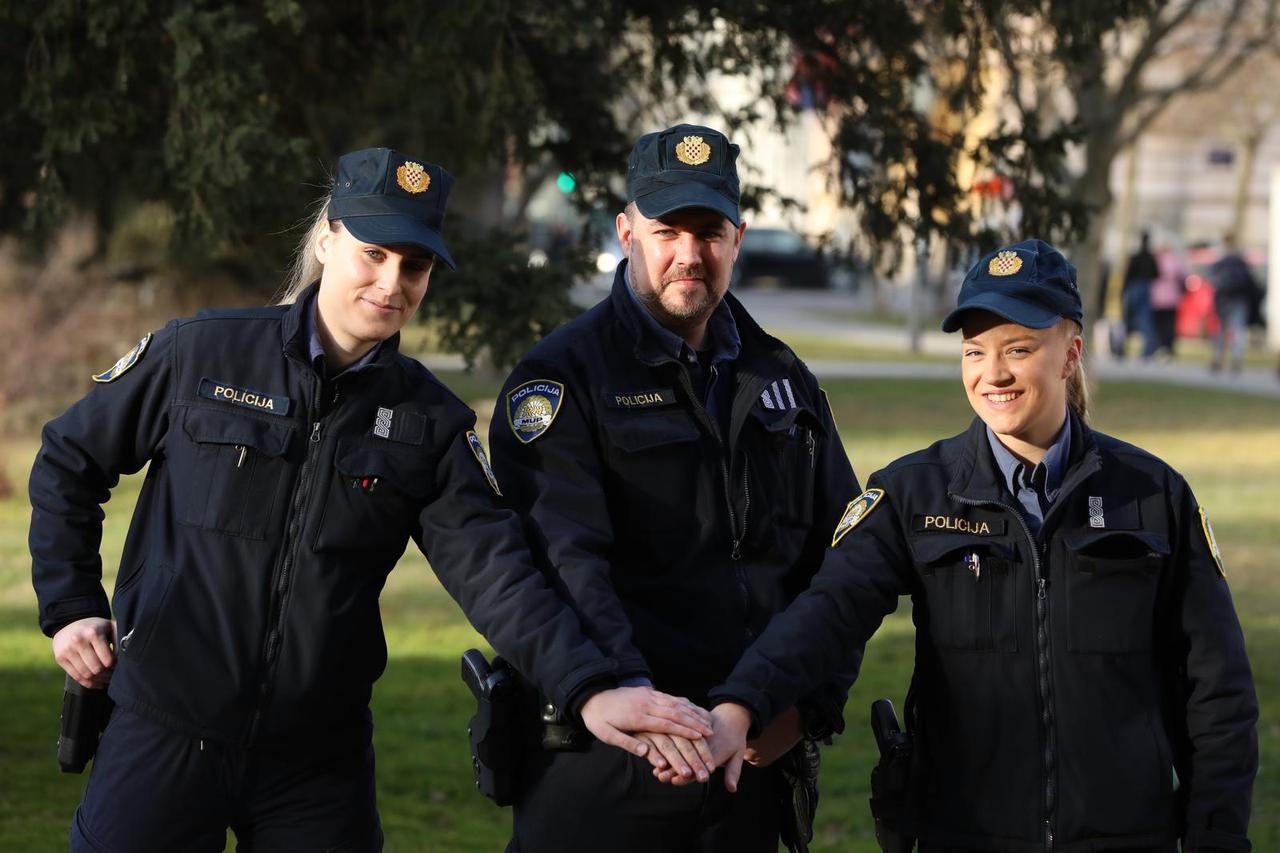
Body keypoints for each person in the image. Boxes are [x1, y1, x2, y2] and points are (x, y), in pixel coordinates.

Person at [30, 147, 714, 852]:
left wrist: (590, 688)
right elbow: (68, 458)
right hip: (164, 728)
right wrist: (71, 603)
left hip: (316, 762)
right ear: (328, 240)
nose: (392, 282)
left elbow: (499, 574)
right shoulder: (202, 355)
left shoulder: (429, 422)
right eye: (374, 253)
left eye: (414, 266)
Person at [704, 239, 1259, 852]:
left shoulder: (1154, 495)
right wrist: (743, 703)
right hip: (965, 836)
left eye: (1018, 350)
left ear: (1070, 355)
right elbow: (828, 611)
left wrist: (1216, 838)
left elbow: (1217, 691)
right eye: (975, 352)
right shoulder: (914, 494)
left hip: (1126, 838)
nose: (992, 374)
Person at [488, 124, 861, 852]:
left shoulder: (782, 380)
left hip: (746, 768)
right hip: (606, 766)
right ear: (627, 231)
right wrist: (635, 702)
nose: (690, 254)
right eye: (667, 230)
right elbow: (565, 563)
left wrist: (805, 705)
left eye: (710, 231)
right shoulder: (563, 379)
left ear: (738, 237)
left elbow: (848, 562)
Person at [1209, 233, 1260, 374]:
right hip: (1239, 300)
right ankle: (1236, 359)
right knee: (1237, 330)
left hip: (1223, 300)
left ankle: (1217, 357)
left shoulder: (1221, 260)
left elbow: (1213, 280)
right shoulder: (1241, 260)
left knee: (1221, 330)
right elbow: (1250, 282)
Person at [1120, 230, 1159, 360]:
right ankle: (1146, 352)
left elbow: (1127, 274)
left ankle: (1121, 348)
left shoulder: (1135, 257)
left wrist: (1123, 291)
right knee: (1145, 321)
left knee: (1127, 320)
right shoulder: (1150, 257)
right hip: (1144, 287)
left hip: (1134, 287)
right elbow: (1156, 274)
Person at [1148, 242, 1187, 359]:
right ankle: (1168, 348)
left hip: (1156, 298)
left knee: (1157, 326)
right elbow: (1183, 276)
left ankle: (1157, 347)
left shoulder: (1156, 260)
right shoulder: (1176, 260)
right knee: (1169, 326)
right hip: (1171, 299)